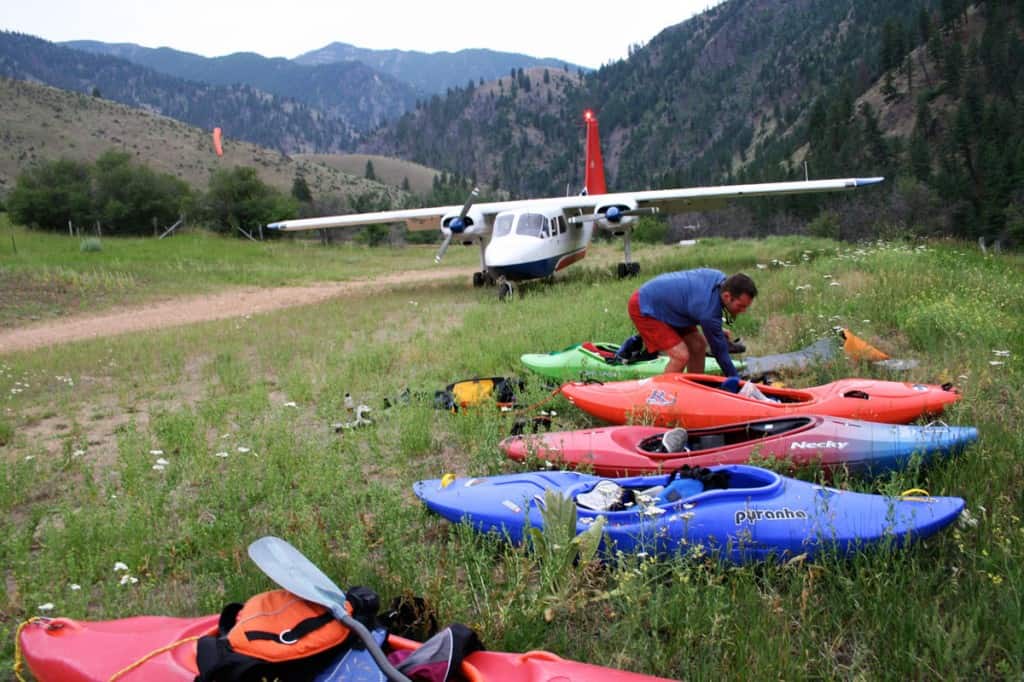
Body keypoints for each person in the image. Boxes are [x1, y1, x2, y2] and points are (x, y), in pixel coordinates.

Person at [626, 268, 756, 390]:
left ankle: (695, 389)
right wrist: (738, 383)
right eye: (741, 306)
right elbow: (720, 353)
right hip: (644, 306)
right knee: (680, 356)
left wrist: (715, 331)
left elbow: (701, 311)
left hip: (671, 308)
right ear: (727, 296)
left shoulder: (720, 280)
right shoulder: (708, 311)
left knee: (698, 345)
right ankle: (660, 396)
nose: (743, 311)